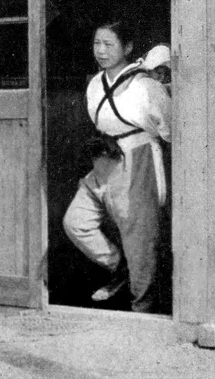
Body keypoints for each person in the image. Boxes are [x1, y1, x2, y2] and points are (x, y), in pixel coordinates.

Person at [63, 19, 171, 313]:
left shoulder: (147, 86)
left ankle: (143, 309)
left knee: (140, 242)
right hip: (104, 157)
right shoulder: (96, 84)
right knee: (76, 222)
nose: (100, 51)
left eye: (108, 44)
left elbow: (170, 130)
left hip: (138, 158)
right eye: (97, 43)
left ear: (128, 47)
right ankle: (118, 266)